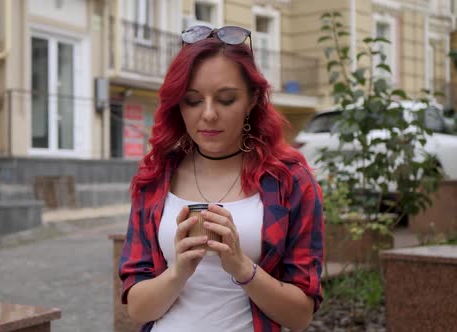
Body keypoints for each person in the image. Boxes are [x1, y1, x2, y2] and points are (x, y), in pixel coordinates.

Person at [118, 25, 324, 332]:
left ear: (252, 100)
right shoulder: (157, 177)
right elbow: (137, 309)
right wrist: (179, 271)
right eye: (193, 100)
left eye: (226, 99)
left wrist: (242, 267)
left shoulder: (290, 180)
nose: (209, 114)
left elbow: (300, 316)